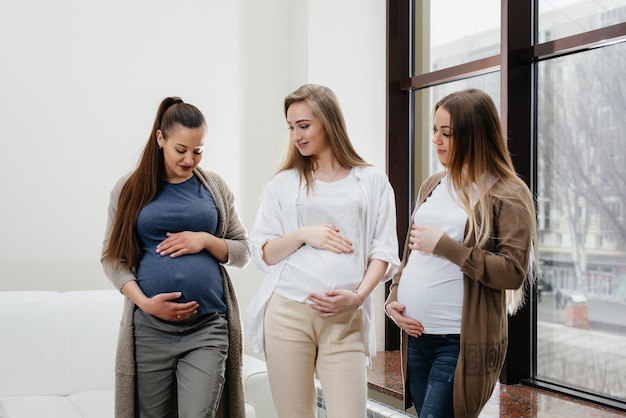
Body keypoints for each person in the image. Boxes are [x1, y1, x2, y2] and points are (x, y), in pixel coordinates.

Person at [245, 84, 400, 418]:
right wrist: (303, 234)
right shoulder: (283, 184)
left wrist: (358, 297)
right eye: (291, 127)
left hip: (345, 318)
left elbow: (385, 251)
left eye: (304, 125)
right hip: (288, 313)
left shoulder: (371, 180)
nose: (296, 135)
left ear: (328, 122)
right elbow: (264, 253)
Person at [384, 88, 537, 418]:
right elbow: (412, 255)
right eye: (435, 130)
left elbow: (512, 272)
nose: (436, 140)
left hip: (459, 343)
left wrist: (446, 247)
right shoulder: (433, 184)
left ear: (475, 135)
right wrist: (393, 298)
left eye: (447, 133)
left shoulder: (506, 191)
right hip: (416, 338)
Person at [101, 97, 250, 418]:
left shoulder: (215, 188)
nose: (189, 159)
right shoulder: (128, 189)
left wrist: (205, 240)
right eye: (180, 150)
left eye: (198, 151)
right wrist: (145, 302)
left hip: (207, 329)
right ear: (160, 139)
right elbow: (112, 260)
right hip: (149, 331)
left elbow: (242, 251)